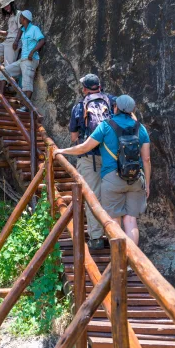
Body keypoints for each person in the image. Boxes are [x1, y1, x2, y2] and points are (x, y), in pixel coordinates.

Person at [55, 94, 151, 249]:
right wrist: (147, 183)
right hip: (136, 179)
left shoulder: (106, 126)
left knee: (114, 221)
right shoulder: (141, 128)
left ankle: (118, 263)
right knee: (131, 221)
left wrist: (63, 150)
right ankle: (130, 263)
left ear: (116, 108)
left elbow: (85, 147)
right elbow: (146, 159)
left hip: (112, 178)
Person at [69, 74, 115, 250]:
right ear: (100, 86)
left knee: (92, 196)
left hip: (90, 158)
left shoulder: (80, 107)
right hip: (111, 156)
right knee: (112, 195)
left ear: (85, 89)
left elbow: (74, 136)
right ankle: (113, 236)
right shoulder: (111, 101)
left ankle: (96, 238)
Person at [0, 10, 45, 112]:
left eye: (21, 17)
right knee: (4, 72)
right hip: (22, 60)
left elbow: (42, 40)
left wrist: (32, 52)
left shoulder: (34, 29)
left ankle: (26, 107)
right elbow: (20, 30)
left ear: (24, 19)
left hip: (30, 59)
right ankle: (0, 98)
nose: (19, 19)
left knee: (27, 83)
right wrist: (15, 41)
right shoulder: (24, 30)